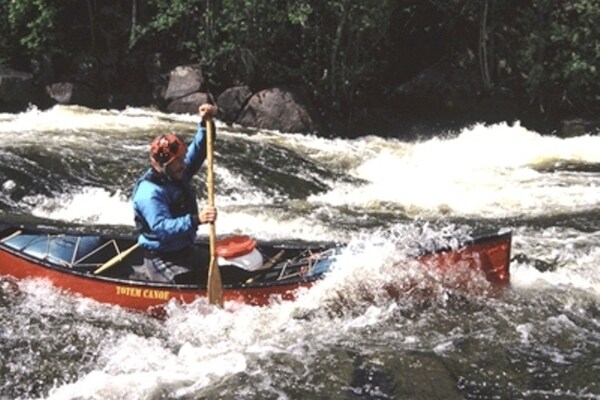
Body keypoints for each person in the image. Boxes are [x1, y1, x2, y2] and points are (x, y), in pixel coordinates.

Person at [132, 104, 218, 284]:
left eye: (181, 159)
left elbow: (200, 150)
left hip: (185, 251)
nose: (183, 164)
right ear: (163, 165)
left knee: (220, 266)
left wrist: (204, 123)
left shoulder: (177, 171)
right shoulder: (149, 193)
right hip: (161, 258)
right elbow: (162, 228)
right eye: (177, 161)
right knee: (188, 284)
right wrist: (196, 219)